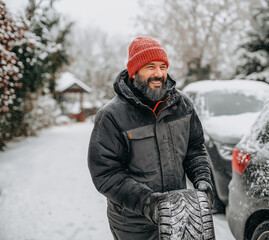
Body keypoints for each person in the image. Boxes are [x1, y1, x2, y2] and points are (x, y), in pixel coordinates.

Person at [88, 36, 214, 240]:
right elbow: (106, 173)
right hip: (133, 225)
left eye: (163, 66)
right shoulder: (111, 116)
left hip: (178, 217)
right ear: (134, 71)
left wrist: (202, 179)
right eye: (150, 66)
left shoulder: (183, 106)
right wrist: (147, 202)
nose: (158, 74)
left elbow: (195, 149)